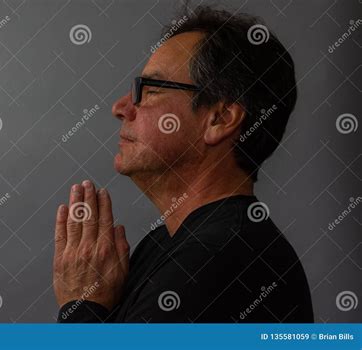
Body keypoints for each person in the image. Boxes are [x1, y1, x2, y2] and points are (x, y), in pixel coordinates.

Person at [53, 5, 313, 323]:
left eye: (151, 90)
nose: (121, 107)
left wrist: (83, 303)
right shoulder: (168, 244)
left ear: (219, 119)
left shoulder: (213, 261)